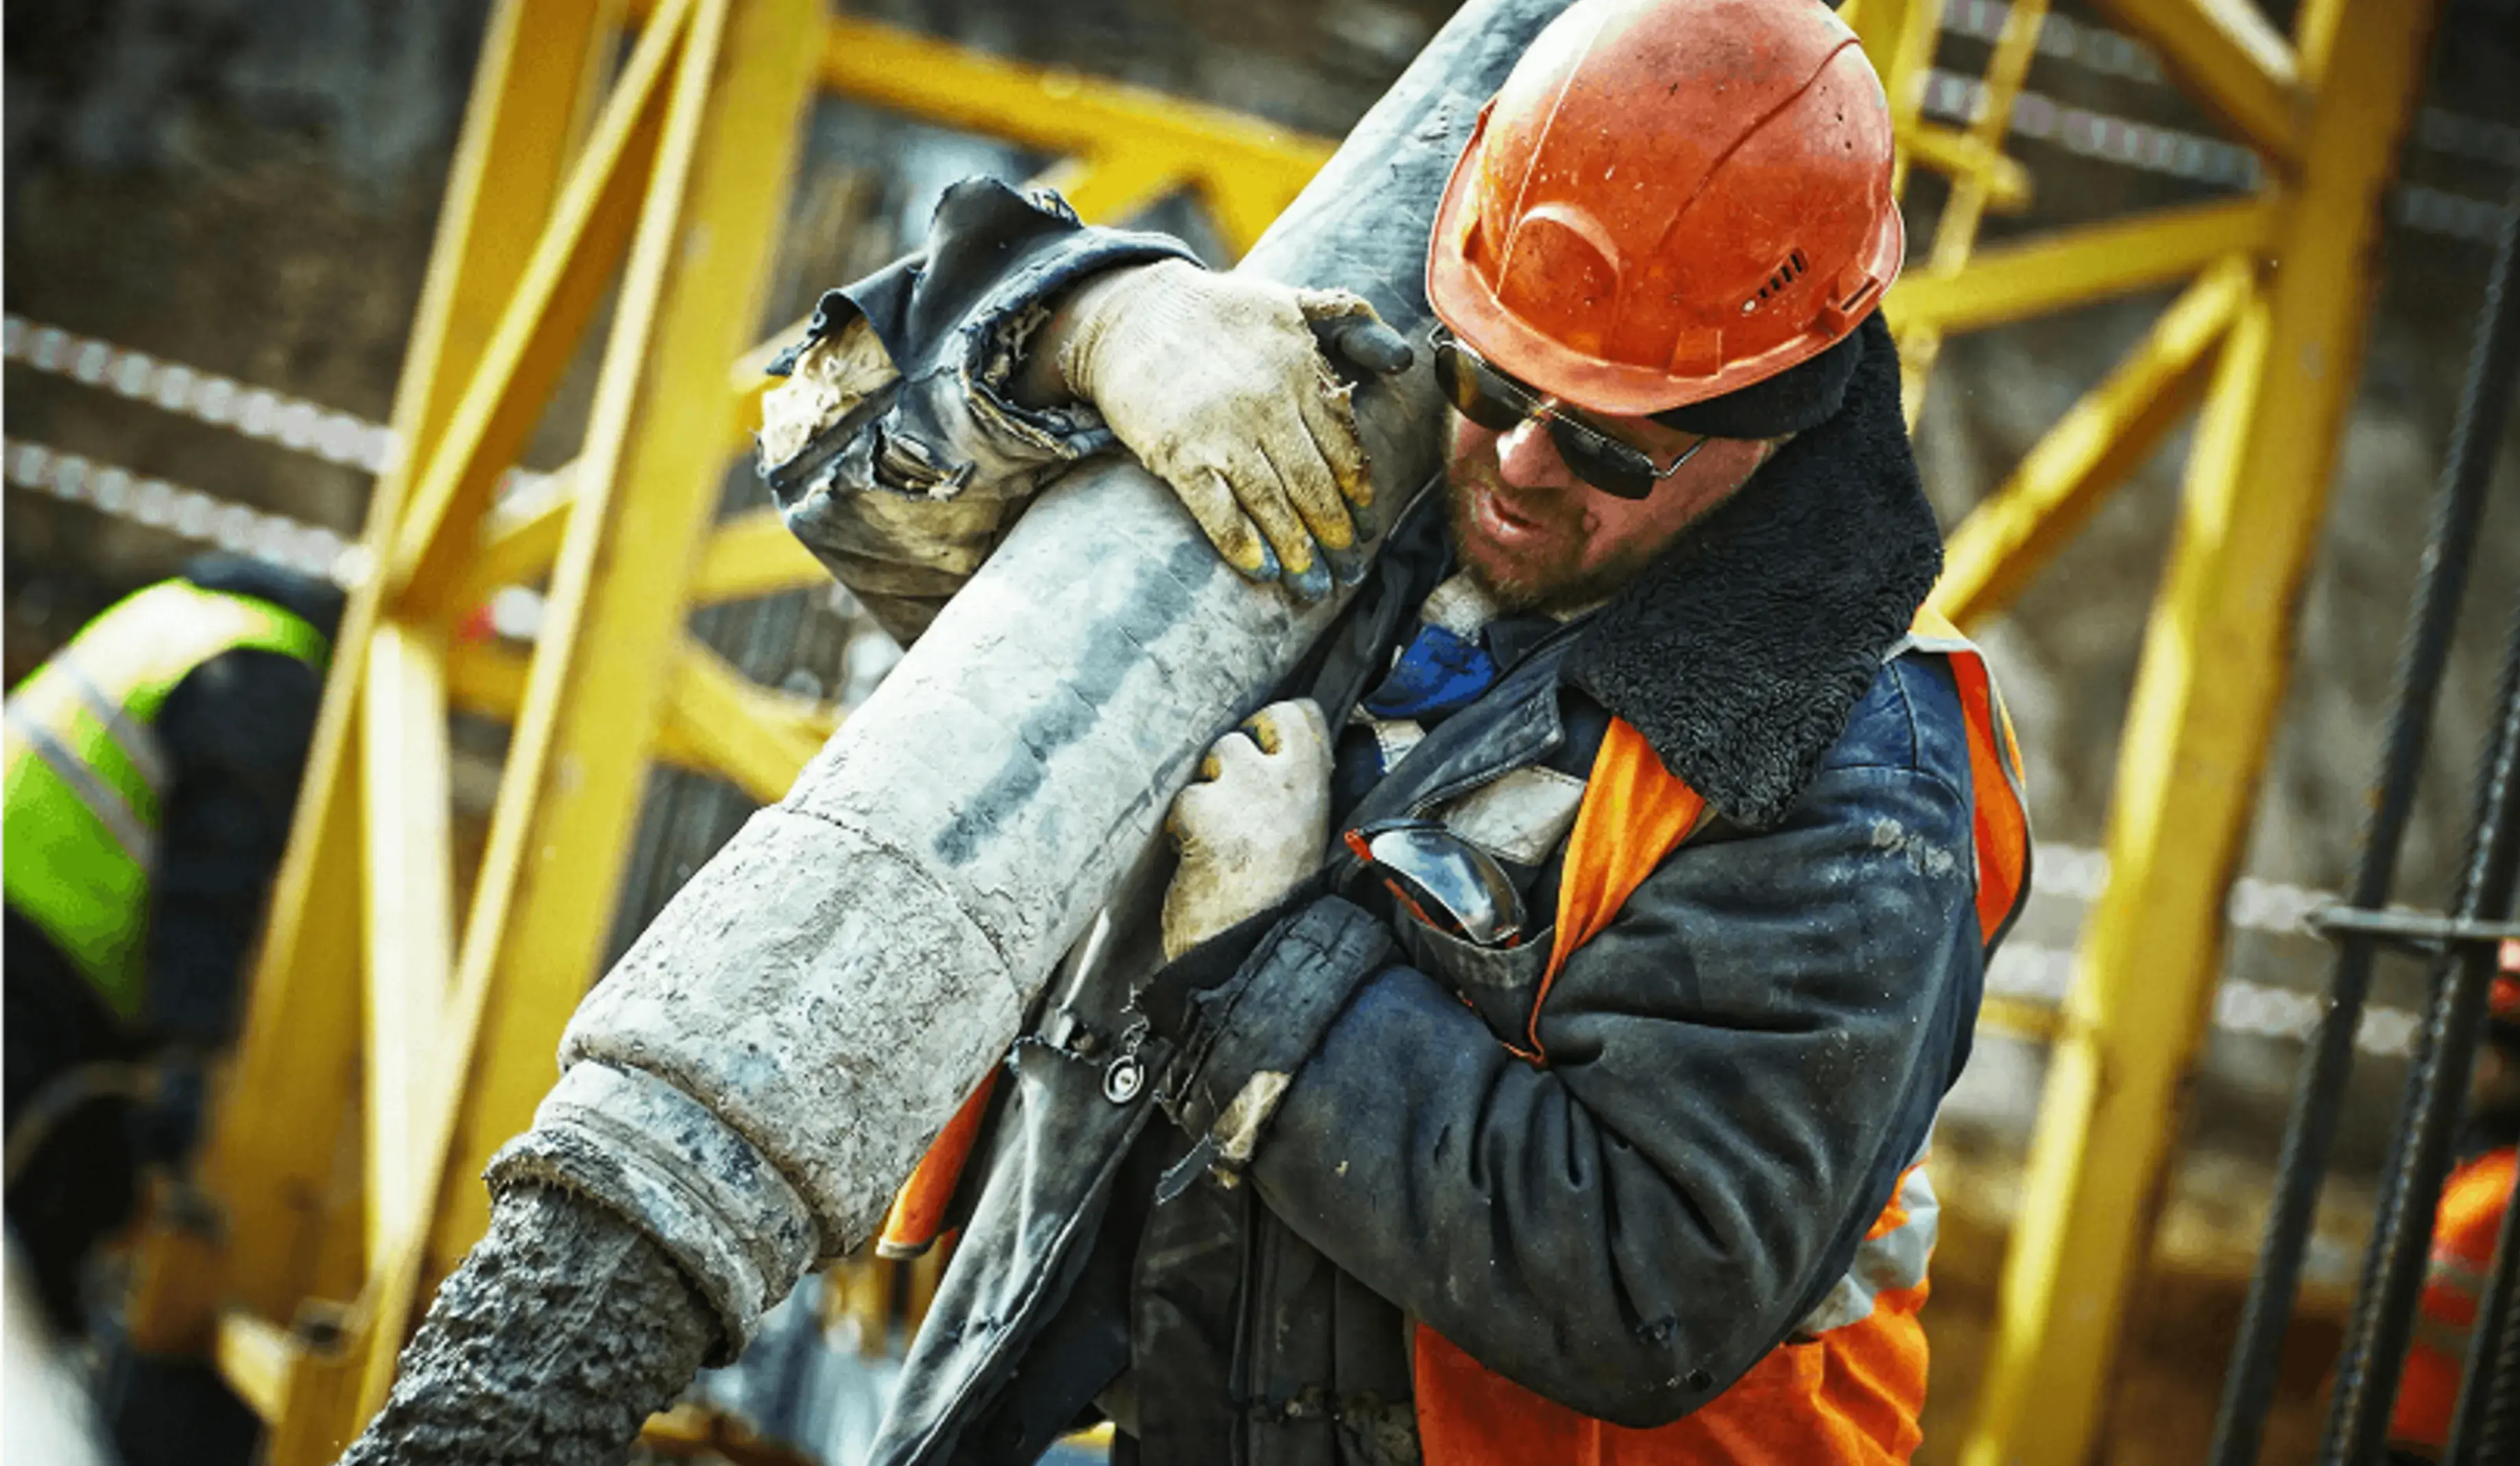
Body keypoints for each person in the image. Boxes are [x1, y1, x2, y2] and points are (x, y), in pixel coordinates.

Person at [759, 1, 2028, 1461]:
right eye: (1495, 379)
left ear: (1779, 419)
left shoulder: (1851, 780)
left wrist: (1259, 958)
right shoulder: (1376, 439)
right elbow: (831, 458)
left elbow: (1650, 1281)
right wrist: (1085, 328)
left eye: (1613, 440)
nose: (1521, 464)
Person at [3, 551, 340, 1338]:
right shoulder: (266, 671)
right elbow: (212, 885)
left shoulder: (180, 612)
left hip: (33, 926)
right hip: (39, 949)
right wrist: (188, 1056)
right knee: (42, 1225)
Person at [2384, 939, 2520, 1463]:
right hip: (2409, 1427)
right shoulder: (2480, 1173)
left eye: (2499, 1056)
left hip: (2463, 1441)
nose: (2480, 1072)